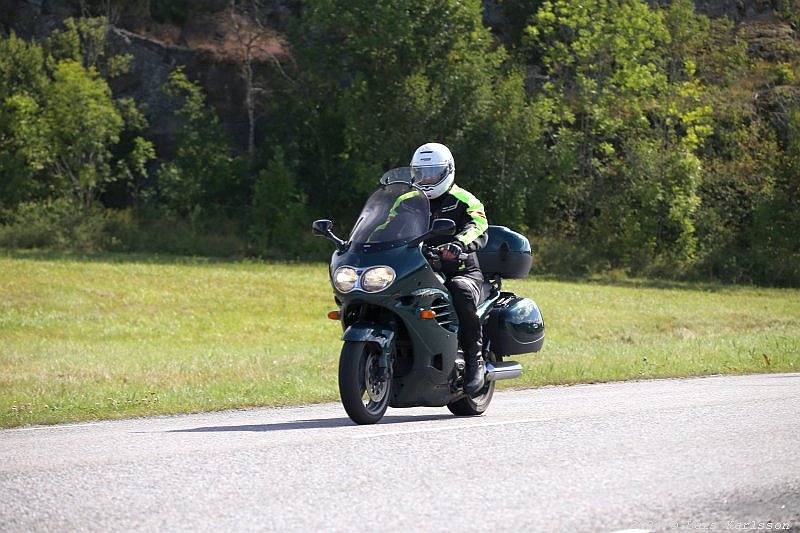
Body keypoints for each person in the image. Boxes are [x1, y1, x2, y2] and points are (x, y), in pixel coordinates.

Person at [410, 142, 489, 395]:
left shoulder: (464, 199)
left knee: (459, 290)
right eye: (421, 173)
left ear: (447, 171)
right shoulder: (407, 200)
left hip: (461, 270)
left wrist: (459, 243)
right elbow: (382, 225)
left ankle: (476, 359)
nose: (427, 178)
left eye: (433, 172)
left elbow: (478, 225)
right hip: (418, 269)